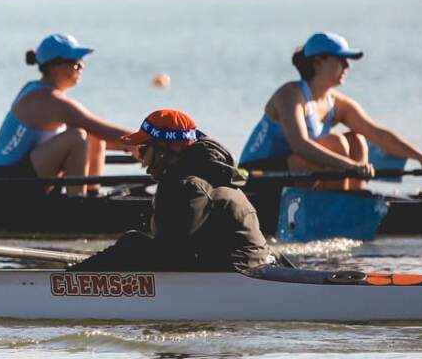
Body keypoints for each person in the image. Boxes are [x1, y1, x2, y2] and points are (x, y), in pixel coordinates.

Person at [73, 110, 274, 274]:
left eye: (143, 150)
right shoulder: (209, 171)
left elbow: (169, 254)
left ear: (164, 149)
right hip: (246, 267)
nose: (142, 162)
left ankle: (67, 282)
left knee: (132, 243)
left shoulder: (185, 184)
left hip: (233, 275)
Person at [239, 32, 422, 183]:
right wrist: (352, 167)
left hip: (296, 174)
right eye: (341, 60)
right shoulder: (290, 95)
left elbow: (379, 135)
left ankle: (351, 201)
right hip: (257, 176)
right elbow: (300, 146)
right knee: (336, 143)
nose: (348, 66)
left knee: (357, 141)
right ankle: (330, 205)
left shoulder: (337, 103)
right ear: (318, 62)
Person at [0, 33, 143, 194]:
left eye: (81, 61)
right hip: (3, 185)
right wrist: (147, 142)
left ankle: (92, 194)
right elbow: (100, 127)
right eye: (74, 61)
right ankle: (78, 203)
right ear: (54, 66)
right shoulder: (45, 98)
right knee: (77, 136)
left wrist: (131, 146)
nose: (81, 66)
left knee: (93, 137)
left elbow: (103, 134)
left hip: (19, 178)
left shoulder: (39, 90)